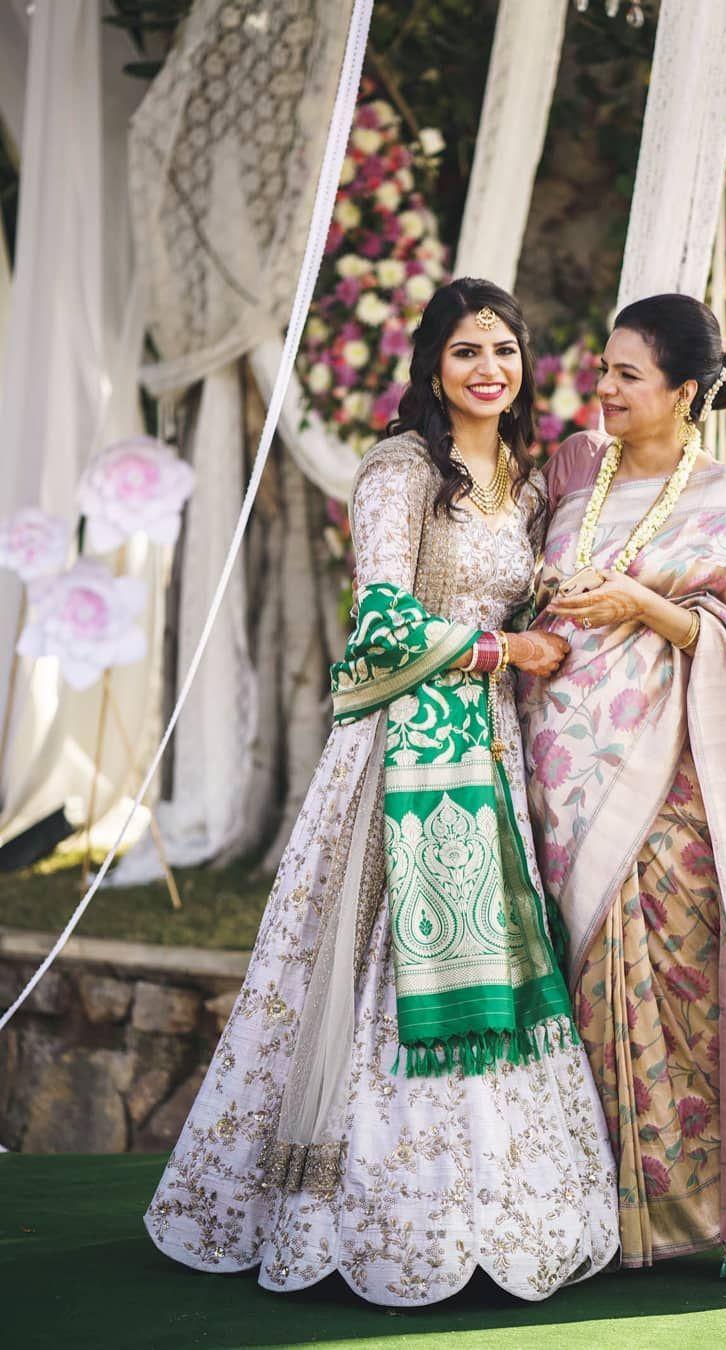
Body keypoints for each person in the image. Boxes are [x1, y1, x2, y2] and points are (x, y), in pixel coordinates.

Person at [145, 278, 618, 1305]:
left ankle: (493, 1212)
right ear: (432, 367)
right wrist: (508, 647)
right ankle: (359, 1212)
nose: (488, 369)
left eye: (503, 349)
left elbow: (541, 595)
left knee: (492, 970)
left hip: (489, 753)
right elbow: (383, 622)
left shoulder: (529, 480)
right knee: (380, 977)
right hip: (406, 749)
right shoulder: (402, 470)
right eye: (465, 353)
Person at [518, 293, 726, 1284]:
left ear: (684, 393)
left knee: (664, 984)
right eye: (605, 369)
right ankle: (580, 1208)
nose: (606, 388)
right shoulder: (568, 479)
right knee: (570, 990)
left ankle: (673, 1219)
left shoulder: (723, 500)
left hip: (667, 784)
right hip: (556, 779)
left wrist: (646, 607)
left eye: (629, 374)